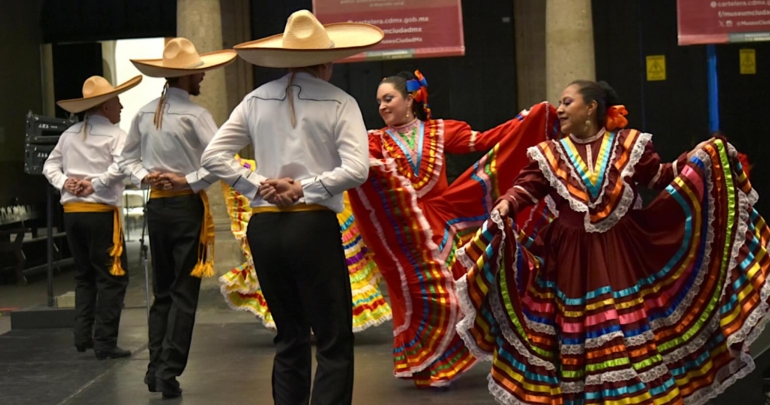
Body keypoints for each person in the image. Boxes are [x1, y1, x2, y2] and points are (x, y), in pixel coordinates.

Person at [456, 80, 770, 404]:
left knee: (624, 327)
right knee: (575, 331)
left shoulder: (628, 144)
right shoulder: (549, 153)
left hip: (621, 252)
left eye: (567, 102)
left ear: (591, 108)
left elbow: (657, 176)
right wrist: (507, 203)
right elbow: (528, 187)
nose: (559, 109)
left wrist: (695, 158)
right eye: (560, 104)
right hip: (571, 260)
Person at [200, 10, 382, 405]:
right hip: (312, 226)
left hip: (264, 227)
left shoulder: (254, 100)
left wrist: (258, 186)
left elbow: (213, 156)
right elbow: (357, 169)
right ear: (326, 61)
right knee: (333, 337)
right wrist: (303, 187)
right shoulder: (340, 101)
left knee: (289, 336)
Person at [346, 70, 560, 387]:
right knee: (417, 297)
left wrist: (528, 119)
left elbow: (487, 140)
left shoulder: (439, 131)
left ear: (410, 100)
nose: (382, 106)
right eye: (378, 101)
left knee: (453, 295)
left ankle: (445, 360)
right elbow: (362, 168)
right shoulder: (374, 141)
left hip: (443, 223)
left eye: (388, 98)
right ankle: (423, 361)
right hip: (404, 230)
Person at [119, 37, 236, 398]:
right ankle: (168, 370)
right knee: (185, 293)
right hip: (186, 206)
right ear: (186, 76)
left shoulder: (144, 112)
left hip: (157, 206)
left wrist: (145, 176)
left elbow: (126, 160)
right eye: (197, 73)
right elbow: (221, 159)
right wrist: (189, 178)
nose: (201, 77)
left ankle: (155, 368)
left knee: (163, 292)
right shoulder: (196, 115)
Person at [219, 155, 392, 332]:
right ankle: (307, 326)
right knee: (299, 270)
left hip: (320, 195)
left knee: (325, 269)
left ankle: (323, 325)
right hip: (286, 194)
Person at [43, 74, 141, 359]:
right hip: (101, 214)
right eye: (117, 102)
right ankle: (105, 342)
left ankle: (82, 335)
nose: (121, 107)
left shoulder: (69, 134)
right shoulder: (116, 136)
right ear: (106, 107)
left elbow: (50, 166)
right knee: (112, 278)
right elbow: (122, 166)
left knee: (84, 276)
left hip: (72, 214)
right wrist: (95, 183)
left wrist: (66, 183)